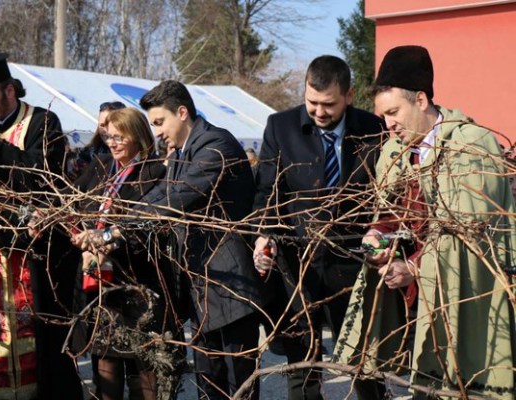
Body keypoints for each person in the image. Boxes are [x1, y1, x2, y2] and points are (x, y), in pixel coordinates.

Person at [332, 45, 516, 399]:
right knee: (423, 386)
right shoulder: (394, 151)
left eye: (393, 112)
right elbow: (390, 214)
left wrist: (414, 267)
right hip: (413, 298)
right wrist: (376, 237)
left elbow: (468, 233)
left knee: (462, 386)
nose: (388, 124)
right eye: (383, 115)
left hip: (466, 297)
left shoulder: (471, 147)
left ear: (420, 100)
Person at [252, 55, 385, 400]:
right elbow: (268, 190)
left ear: (350, 95)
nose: (319, 112)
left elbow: (386, 195)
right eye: (312, 102)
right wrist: (263, 235)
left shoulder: (374, 129)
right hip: (299, 265)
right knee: (303, 367)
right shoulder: (280, 127)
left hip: (353, 263)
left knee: (364, 363)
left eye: (329, 104)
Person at [0, 53, 82, 400]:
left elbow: (45, 177)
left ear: (9, 90)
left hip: (35, 251)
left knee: (43, 338)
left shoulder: (42, 121)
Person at [130, 80, 269, 399]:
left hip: (231, 289)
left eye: (160, 122)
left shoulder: (215, 144)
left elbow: (179, 195)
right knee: (209, 383)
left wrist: (124, 219)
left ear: (182, 112)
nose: (157, 132)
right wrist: (120, 214)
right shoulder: (182, 153)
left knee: (239, 383)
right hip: (202, 287)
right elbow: (162, 190)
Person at [67, 107, 179, 400]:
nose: (113, 144)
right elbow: (72, 202)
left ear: (139, 137)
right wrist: (78, 230)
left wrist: (108, 240)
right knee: (106, 367)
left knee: (145, 372)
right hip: (104, 290)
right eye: (110, 137)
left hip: (139, 285)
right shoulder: (102, 166)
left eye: (120, 138)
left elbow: (149, 227)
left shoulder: (155, 172)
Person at [66, 101, 126, 181]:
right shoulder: (90, 152)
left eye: (110, 125)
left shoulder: (131, 154)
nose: (106, 130)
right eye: (102, 125)